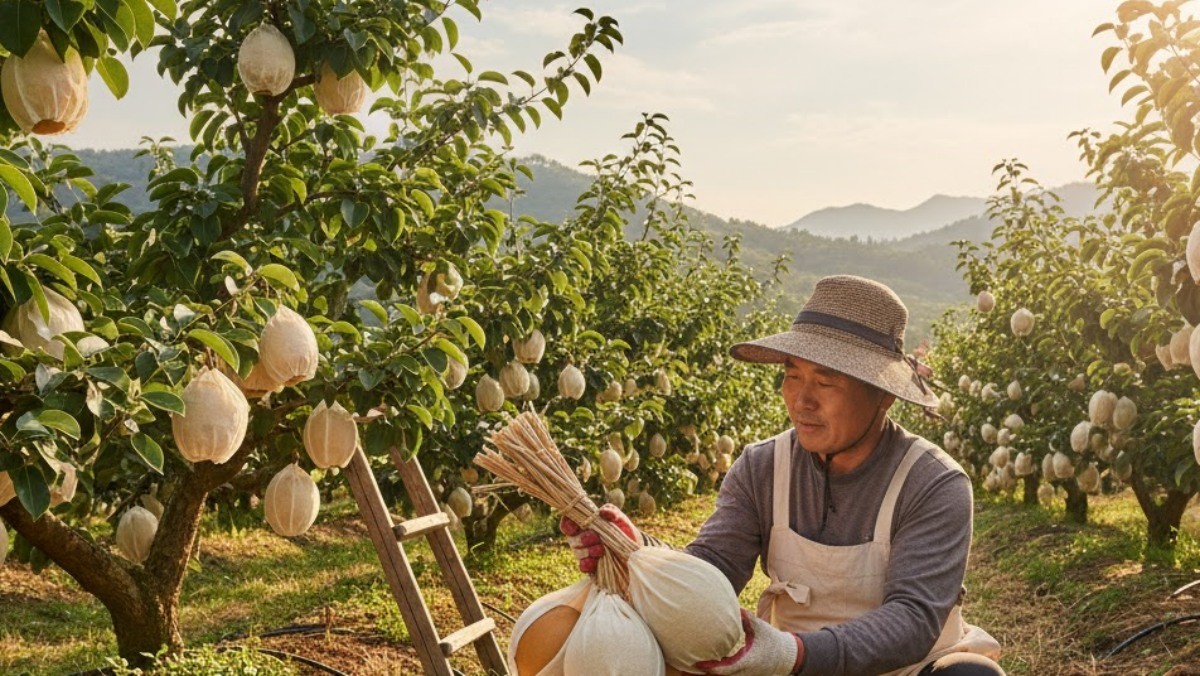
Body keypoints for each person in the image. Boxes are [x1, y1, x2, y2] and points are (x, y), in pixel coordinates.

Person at [561, 275, 1004, 675]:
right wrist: (639, 554)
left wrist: (794, 653)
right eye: (792, 376)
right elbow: (715, 567)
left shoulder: (933, 483)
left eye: (826, 382)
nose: (801, 400)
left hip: (908, 668)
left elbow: (912, 618)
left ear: (883, 397)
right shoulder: (762, 467)